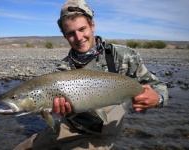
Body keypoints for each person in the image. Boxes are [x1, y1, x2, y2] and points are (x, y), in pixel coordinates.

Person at [14, 0, 168, 149]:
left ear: (92, 25)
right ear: (65, 36)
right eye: (71, 33)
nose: (79, 37)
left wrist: (158, 98)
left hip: (103, 135)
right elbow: (44, 107)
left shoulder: (124, 56)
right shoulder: (63, 70)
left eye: (82, 29)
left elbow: (159, 87)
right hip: (71, 127)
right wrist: (54, 111)